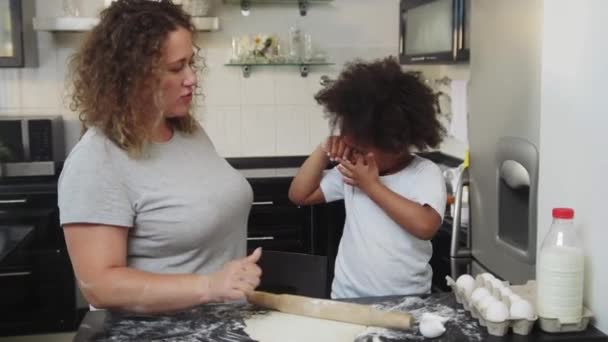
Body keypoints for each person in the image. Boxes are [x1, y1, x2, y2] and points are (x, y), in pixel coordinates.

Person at [58, 0, 261, 314]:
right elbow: (99, 285)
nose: (192, 78)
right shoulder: (97, 161)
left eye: (192, 63)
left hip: (219, 325)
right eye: (176, 68)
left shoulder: (188, 133)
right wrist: (209, 286)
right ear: (134, 76)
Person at [289, 57, 447, 299]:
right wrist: (324, 149)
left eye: (359, 150)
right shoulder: (353, 171)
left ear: (394, 144)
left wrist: (372, 186)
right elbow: (300, 194)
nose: (351, 153)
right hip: (347, 297)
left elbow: (426, 226)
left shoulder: (424, 173)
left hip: (408, 300)